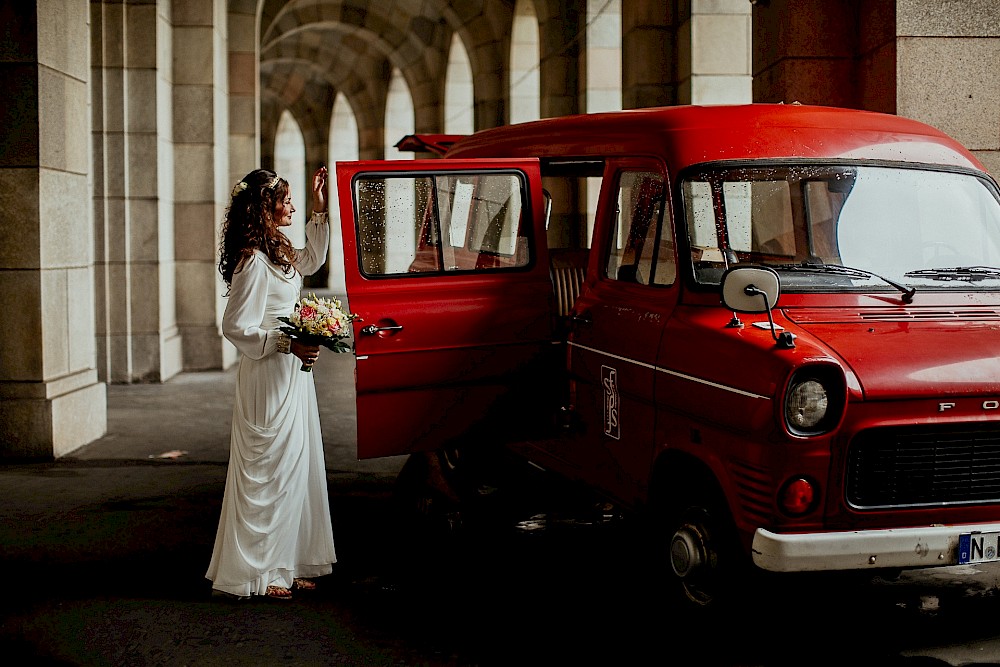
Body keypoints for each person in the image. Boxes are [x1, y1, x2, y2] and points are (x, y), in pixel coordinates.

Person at [206, 166, 337, 600]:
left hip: (292, 377)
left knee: (295, 465)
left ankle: (288, 562)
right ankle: (256, 574)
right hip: (267, 375)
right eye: (287, 202)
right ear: (265, 207)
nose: (293, 207)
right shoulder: (252, 261)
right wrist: (288, 343)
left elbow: (313, 261)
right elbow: (235, 326)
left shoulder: (278, 253)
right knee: (267, 470)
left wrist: (321, 209)